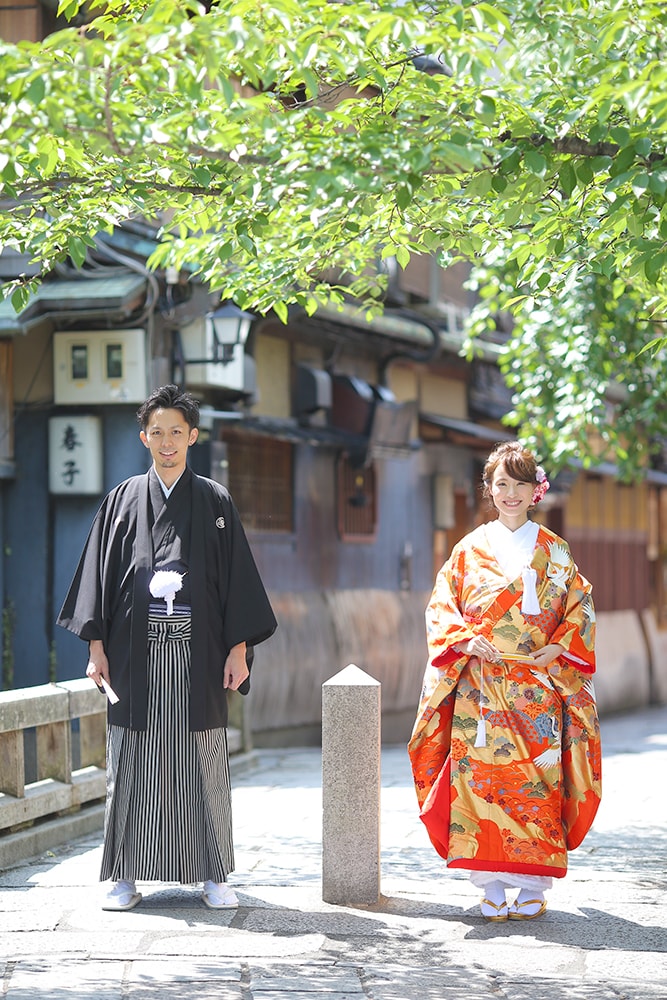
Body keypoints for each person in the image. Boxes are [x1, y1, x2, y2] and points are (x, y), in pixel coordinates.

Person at [57, 384, 277, 911]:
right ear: (144, 437)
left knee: (202, 755)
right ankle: (124, 877)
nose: (167, 441)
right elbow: (99, 578)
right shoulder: (122, 500)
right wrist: (95, 645)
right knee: (130, 758)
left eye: (177, 432)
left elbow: (237, 584)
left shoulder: (214, 500)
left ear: (193, 436)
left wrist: (238, 649)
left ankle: (215, 874)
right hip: (135, 654)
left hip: (197, 655)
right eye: (157, 432)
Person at [408, 441, 601, 921]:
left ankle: (533, 884)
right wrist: (464, 640)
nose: (510, 493)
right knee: (481, 780)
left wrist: (560, 645)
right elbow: (442, 606)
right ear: (489, 490)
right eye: (501, 484)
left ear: (537, 490)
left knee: (537, 782)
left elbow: (581, 605)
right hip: (481, 687)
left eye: (519, 484)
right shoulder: (469, 549)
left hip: (536, 686)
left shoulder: (556, 551)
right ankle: (491, 884)